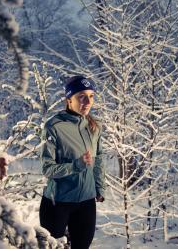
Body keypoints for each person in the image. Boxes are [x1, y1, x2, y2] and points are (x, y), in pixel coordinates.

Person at [39, 75, 106, 249]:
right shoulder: (54, 127)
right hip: (58, 203)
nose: (88, 101)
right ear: (69, 100)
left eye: (91, 96)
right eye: (81, 96)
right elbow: (47, 169)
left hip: (86, 203)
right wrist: (77, 165)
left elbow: (98, 160)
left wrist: (99, 188)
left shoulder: (94, 127)